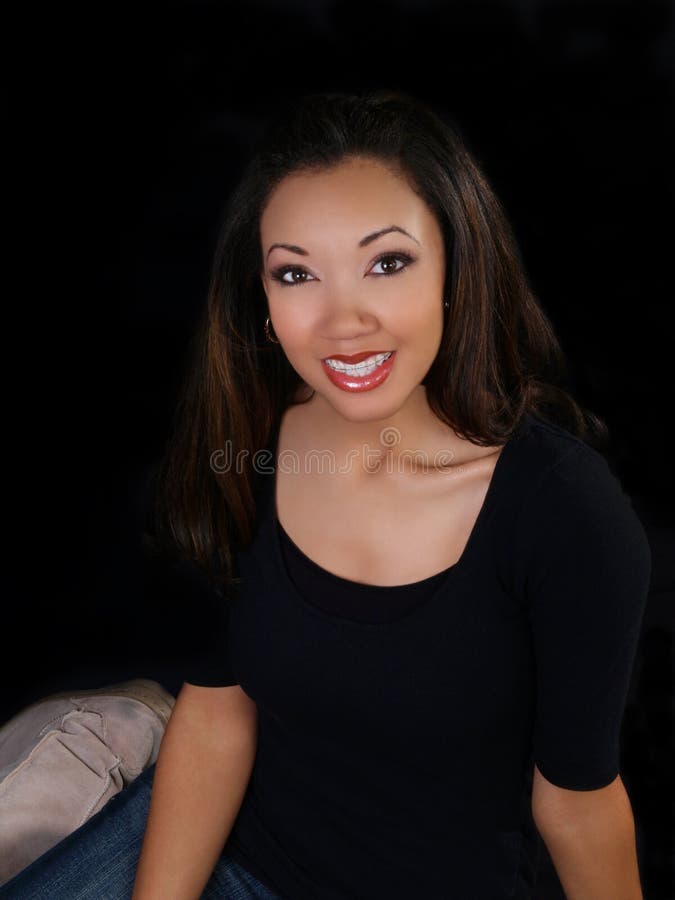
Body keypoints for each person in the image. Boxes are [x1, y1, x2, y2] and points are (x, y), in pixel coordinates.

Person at [0, 88, 651, 899]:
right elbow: (217, 709)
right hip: (237, 857)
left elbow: (578, 806)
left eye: (386, 262)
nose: (342, 321)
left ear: (455, 266)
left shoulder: (563, 512)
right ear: (263, 304)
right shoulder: (250, 448)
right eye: (296, 272)